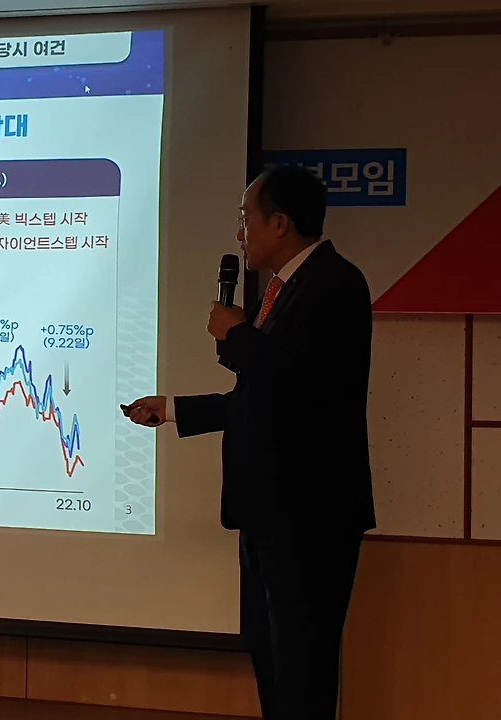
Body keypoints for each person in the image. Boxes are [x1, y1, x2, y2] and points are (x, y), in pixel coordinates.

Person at [126, 164, 376, 719]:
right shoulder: (286, 290)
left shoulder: (334, 284)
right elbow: (262, 397)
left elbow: (297, 384)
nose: (239, 233)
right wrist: (173, 409)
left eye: (246, 219)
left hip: (309, 515)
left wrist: (236, 332)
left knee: (301, 670)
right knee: (274, 666)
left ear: (280, 223)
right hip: (271, 512)